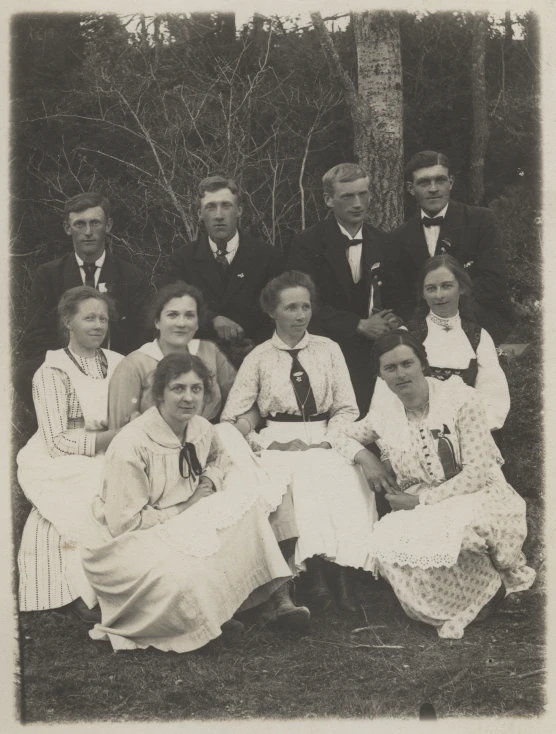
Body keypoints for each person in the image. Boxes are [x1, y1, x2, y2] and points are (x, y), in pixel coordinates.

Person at [82, 354, 309, 653]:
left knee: (248, 509)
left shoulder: (201, 427)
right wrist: (185, 508)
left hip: (186, 522)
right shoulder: (132, 443)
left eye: (196, 389)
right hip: (135, 544)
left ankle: (253, 604)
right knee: (184, 580)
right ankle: (216, 614)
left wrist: (208, 483)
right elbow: (124, 524)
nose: (188, 398)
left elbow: (219, 457)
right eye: (178, 388)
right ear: (160, 392)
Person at [333, 331, 535, 639]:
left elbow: (478, 472)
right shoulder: (384, 414)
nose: (400, 374)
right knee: (390, 548)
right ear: (381, 376)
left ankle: (494, 588)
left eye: (407, 364)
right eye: (390, 368)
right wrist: (366, 457)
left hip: (473, 491)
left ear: (422, 365)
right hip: (419, 500)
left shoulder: (459, 399)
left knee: (465, 535)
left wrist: (419, 503)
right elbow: (338, 435)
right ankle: (462, 603)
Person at [221, 270, 384, 614]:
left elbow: (346, 407)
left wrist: (330, 439)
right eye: (290, 308)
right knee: (300, 476)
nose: (299, 315)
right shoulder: (260, 358)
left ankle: (346, 575)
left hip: (329, 434)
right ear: (272, 312)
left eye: (305, 307)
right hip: (279, 439)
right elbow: (230, 418)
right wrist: (267, 445)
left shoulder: (328, 349)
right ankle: (315, 579)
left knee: (345, 475)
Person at [17, 286, 125, 623]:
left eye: (103, 318)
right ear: (68, 322)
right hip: (59, 457)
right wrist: (112, 439)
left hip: (112, 448)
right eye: (89, 317)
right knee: (86, 493)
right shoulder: (52, 370)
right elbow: (56, 441)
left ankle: (123, 586)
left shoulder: (121, 364)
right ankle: (81, 592)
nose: (97, 325)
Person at [287, 163, 407, 415]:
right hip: (326, 351)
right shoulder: (305, 244)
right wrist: (359, 325)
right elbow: (306, 304)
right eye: (348, 196)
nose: (357, 203)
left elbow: (397, 295)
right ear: (328, 200)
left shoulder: (385, 242)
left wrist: (391, 318)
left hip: (374, 356)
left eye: (363, 194)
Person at [15, 192, 151, 413]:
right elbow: (35, 336)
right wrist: (67, 368)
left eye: (95, 223)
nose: (88, 232)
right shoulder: (48, 275)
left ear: (108, 226)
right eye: (79, 224)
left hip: (116, 370)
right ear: (68, 228)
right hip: (64, 371)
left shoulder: (131, 275)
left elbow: (143, 334)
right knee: (25, 372)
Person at [372, 254, 510, 431]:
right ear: (422, 293)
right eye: (431, 288)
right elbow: (384, 401)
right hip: (415, 438)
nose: (439, 295)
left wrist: (460, 434)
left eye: (446, 286)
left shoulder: (478, 337)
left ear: (461, 288)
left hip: (470, 436)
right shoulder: (406, 336)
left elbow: (494, 401)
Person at [390, 150, 516, 343]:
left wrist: (447, 309)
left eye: (440, 180)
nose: (433, 188)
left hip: (477, 321)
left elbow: (493, 280)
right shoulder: (399, 237)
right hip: (422, 329)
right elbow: (401, 295)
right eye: (424, 182)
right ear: (410, 188)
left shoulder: (480, 220)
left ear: (451, 182)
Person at [159, 175, 284, 354]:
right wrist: (212, 320)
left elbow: (279, 312)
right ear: (200, 214)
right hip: (199, 359)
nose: (218, 215)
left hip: (258, 355)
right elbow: (169, 308)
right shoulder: (182, 259)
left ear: (239, 210)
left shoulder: (268, 257)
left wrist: (257, 348)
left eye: (226, 206)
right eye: (210, 207)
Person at [108, 282, 238, 428]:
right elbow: (120, 428)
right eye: (172, 315)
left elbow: (239, 400)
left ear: (197, 323)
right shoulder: (135, 363)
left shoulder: (210, 352)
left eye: (189, 315)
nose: (181, 323)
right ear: (157, 321)